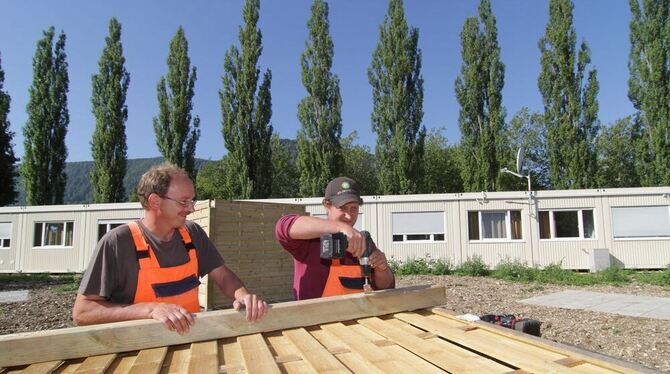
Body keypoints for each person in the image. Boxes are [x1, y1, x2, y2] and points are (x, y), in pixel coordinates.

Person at [73, 163, 268, 334]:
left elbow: (224, 276)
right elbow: (82, 313)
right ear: (155, 202)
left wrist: (243, 296)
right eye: (184, 201)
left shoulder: (193, 233)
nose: (191, 208)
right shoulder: (117, 242)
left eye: (192, 200)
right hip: (137, 350)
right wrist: (150, 310)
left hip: (191, 342)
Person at [275, 176, 395, 300]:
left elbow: (387, 287)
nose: (348, 216)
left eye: (354, 208)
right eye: (342, 207)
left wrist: (382, 269)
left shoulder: (363, 241)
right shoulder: (310, 240)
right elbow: (283, 226)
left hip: (360, 318)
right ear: (327, 205)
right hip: (318, 319)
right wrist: (339, 227)